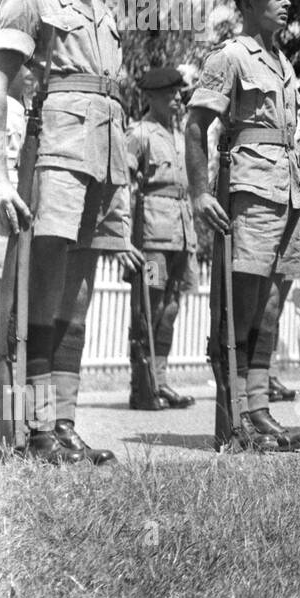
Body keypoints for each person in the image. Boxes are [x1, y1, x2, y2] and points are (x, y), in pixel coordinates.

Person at [0, 0, 141, 464]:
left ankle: (65, 424)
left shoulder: (102, 9)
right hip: (55, 155)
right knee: (40, 292)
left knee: (77, 298)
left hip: (103, 157)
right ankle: (30, 428)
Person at [185, 0, 300, 453]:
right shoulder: (230, 57)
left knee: (274, 305)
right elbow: (197, 127)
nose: (285, 4)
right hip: (248, 195)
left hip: (287, 198)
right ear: (248, 5)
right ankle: (232, 420)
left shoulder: (285, 64)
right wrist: (200, 194)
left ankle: (258, 411)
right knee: (239, 305)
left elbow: (292, 145)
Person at [126, 66, 197, 410]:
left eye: (179, 92)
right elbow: (126, 187)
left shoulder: (183, 138)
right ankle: (142, 385)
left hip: (183, 236)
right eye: (169, 92)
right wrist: (124, 235)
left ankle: (162, 379)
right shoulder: (139, 134)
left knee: (171, 307)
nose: (177, 98)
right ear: (150, 96)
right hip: (152, 237)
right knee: (148, 306)